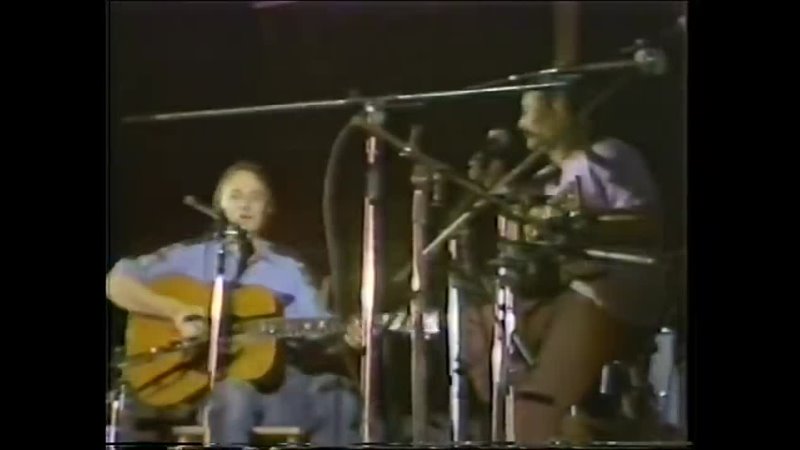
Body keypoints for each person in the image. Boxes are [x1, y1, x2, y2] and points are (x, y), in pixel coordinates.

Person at [463, 86, 668, 444]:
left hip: (606, 291)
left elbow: (647, 224)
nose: (520, 123)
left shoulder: (607, 156)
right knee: (480, 323)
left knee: (531, 411)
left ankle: (545, 406)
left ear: (562, 110)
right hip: (569, 291)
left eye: (529, 111)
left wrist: (577, 227)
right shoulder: (552, 178)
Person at [106, 160, 362, 446]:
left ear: (269, 208)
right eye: (236, 196)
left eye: (256, 197)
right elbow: (117, 282)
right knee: (233, 393)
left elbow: (320, 330)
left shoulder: (289, 269)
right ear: (220, 205)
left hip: (270, 389)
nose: (246, 205)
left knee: (339, 399)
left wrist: (347, 336)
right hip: (188, 386)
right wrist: (176, 312)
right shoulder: (189, 256)